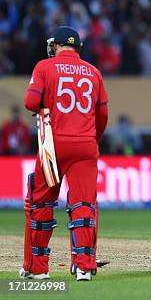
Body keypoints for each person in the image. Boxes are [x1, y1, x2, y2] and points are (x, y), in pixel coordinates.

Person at [21, 26, 108, 281]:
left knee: (41, 203)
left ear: (56, 45)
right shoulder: (94, 72)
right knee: (83, 204)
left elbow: (29, 103)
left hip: (53, 145)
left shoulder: (44, 67)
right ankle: (83, 266)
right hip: (85, 144)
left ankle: (37, 269)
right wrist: (92, 140)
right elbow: (102, 116)